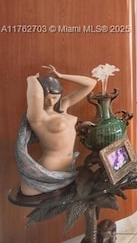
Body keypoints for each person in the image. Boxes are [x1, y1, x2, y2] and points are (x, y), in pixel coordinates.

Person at [15, 65, 96, 197]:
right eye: (47, 97)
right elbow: (34, 96)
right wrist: (31, 80)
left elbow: (91, 84)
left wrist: (61, 76)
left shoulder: (63, 107)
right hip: (49, 170)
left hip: (68, 170)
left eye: (55, 97)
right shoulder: (38, 116)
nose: (51, 101)